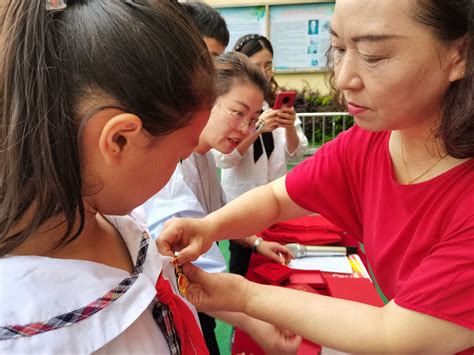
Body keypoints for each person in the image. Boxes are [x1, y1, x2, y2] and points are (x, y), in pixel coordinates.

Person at [158, 0, 474, 353]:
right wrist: (210, 228)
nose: (342, 78)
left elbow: (396, 335)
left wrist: (243, 295)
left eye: (373, 55)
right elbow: (279, 197)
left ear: (459, 55)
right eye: (338, 47)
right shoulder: (369, 141)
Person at [0, 1, 300, 354]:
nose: (185, 161)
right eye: (178, 155)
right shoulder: (32, 333)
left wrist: (250, 315)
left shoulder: (117, 222)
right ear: (120, 139)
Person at [140, 52, 295, 354]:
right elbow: (185, 268)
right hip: (173, 305)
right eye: (238, 113)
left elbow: (217, 214)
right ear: (205, 100)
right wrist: (255, 321)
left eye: (253, 119)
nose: (245, 128)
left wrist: (254, 242)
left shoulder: (204, 155)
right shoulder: (172, 165)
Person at [214, 34, 308, 276]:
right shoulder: (231, 110)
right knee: (240, 267)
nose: (264, 72)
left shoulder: (275, 106)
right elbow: (224, 158)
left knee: (275, 266)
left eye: (268, 65)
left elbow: (297, 151)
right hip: (241, 201)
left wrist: (288, 125)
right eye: (257, 66)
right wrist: (255, 128)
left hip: (274, 202)